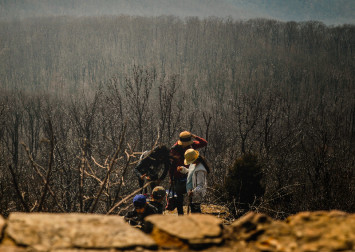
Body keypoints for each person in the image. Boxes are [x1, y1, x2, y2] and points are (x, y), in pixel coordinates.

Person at [169, 131, 207, 215]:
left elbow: (204, 143)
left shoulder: (192, 146)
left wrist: (194, 136)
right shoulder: (174, 149)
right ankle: (181, 215)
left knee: (193, 199)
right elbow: (171, 165)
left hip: (191, 175)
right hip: (179, 175)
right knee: (179, 198)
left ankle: (195, 215)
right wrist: (171, 177)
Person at [177, 148, 209, 213]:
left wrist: (193, 192)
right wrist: (182, 169)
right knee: (193, 210)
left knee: (196, 212)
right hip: (191, 192)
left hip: (196, 195)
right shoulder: (193, 164)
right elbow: (190, 173)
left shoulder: (200, 170)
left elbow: (201, 185)